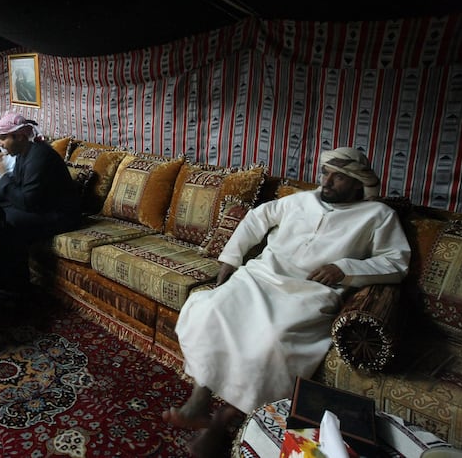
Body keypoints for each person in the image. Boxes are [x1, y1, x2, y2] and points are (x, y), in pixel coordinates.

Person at [162, 147, 411, 456]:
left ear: (358, 184)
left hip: (309, 293)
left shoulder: (378, 216)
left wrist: (345, 269)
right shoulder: (300, 199)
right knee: (212, 310)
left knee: (272, 341)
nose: (328, 182)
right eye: (326, 174)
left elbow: (396, 263)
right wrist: (230, 259)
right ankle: (200, 399)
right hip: (261, 276)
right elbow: (256, 219)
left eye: (339, 177)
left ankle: (226, 420)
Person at [0, 111, 81, 290]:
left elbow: (27, 201)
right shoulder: (24, 153)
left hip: (62, 215)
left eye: (3, 138)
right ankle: (1, 282)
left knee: (9, 220)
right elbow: (17, 187)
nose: (0, 143)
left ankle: (15, 289)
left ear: (20, 136)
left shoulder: (39, 156)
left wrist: (3, 175)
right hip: (42, 207)